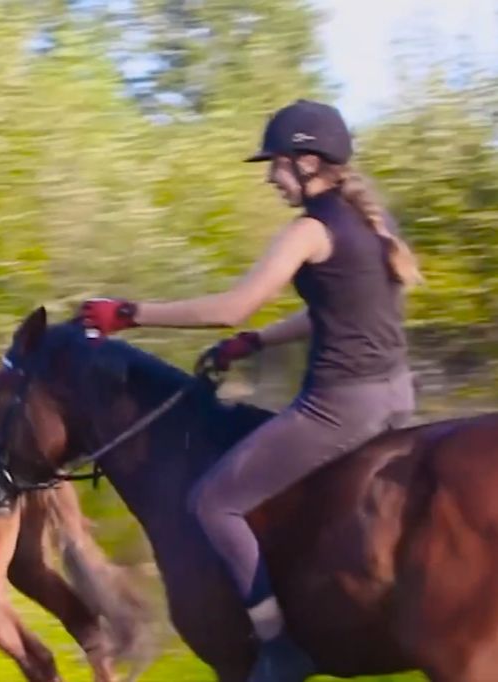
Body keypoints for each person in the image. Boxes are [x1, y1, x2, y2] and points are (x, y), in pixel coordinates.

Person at [78, 99, 420, 680]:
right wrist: (256, 342)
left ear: (309, 162)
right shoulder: (365, 220)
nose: (270, 176)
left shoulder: (310, 230)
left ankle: (279, 645)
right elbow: (332, 312)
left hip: (340, 405)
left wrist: (130, 313)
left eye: (277, 163)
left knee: (214, 501)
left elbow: (231, 306)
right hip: (396, 396)